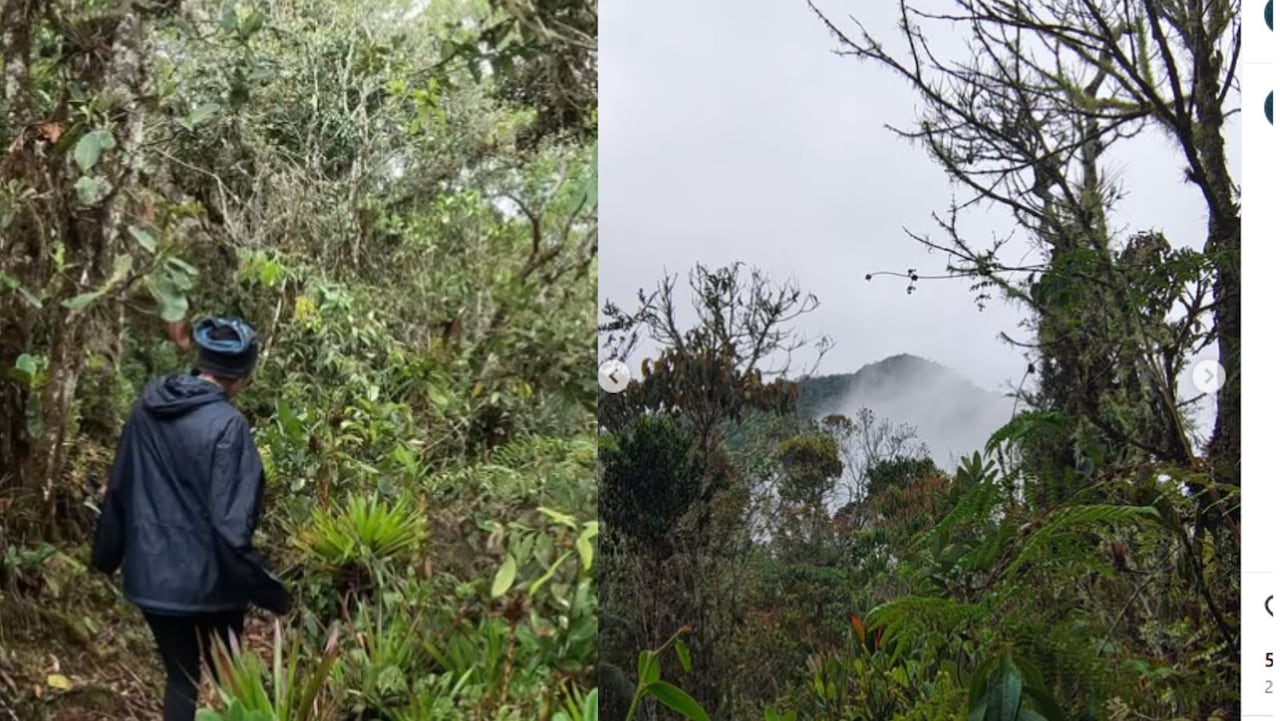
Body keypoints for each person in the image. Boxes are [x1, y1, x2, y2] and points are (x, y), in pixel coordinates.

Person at [90, 316, 291, 721]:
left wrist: (105, 559)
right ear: (241, 376)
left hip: (152, 580)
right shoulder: (229, 426)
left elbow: (120, 490)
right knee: (230, 684)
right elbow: (231, 526)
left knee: (180, 678)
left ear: (201, 362)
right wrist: (269, 591)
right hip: (212, 588)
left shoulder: (146, 411)